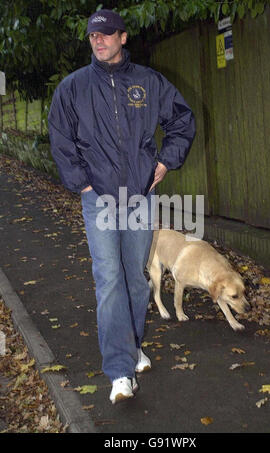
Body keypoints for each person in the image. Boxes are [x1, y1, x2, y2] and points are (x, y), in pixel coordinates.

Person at [48, 9, 195, 404]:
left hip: (140, 197)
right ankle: (118, 371)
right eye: (93, 36)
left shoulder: (149, 83)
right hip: (99, 199)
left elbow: (182, 120)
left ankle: (131, 348)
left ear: (123, 37)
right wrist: (82, 182)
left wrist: (165, 162)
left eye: (106, 34)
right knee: (109, 278)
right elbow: (60, 137)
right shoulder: (73, 88)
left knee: (134, 279)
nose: (98, 40)